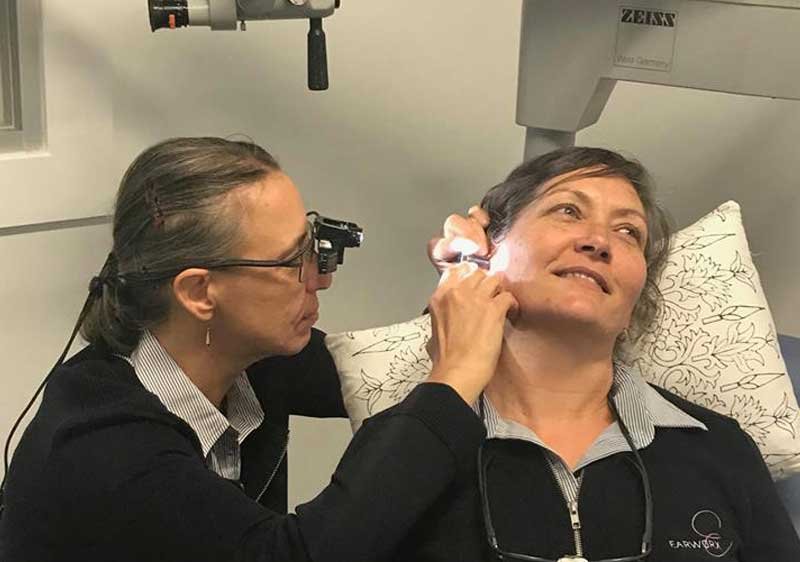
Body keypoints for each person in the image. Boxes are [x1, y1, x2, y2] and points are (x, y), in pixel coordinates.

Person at [0, 137, 516, 562]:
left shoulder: (245, 358)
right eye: (293, 261)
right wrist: (452, 378)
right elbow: (295, 554)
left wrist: (466, 278)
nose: (320, 278)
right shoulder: (108, 450)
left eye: (314, 245)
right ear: (199, 292)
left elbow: (383, 371)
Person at [408, 146, 800, 561]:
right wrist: (452, 378)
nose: (599, 242)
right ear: (487, 253)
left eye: (628, 232)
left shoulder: (722, 449)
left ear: (633, 308)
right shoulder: (411, 443)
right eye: (568, 211)